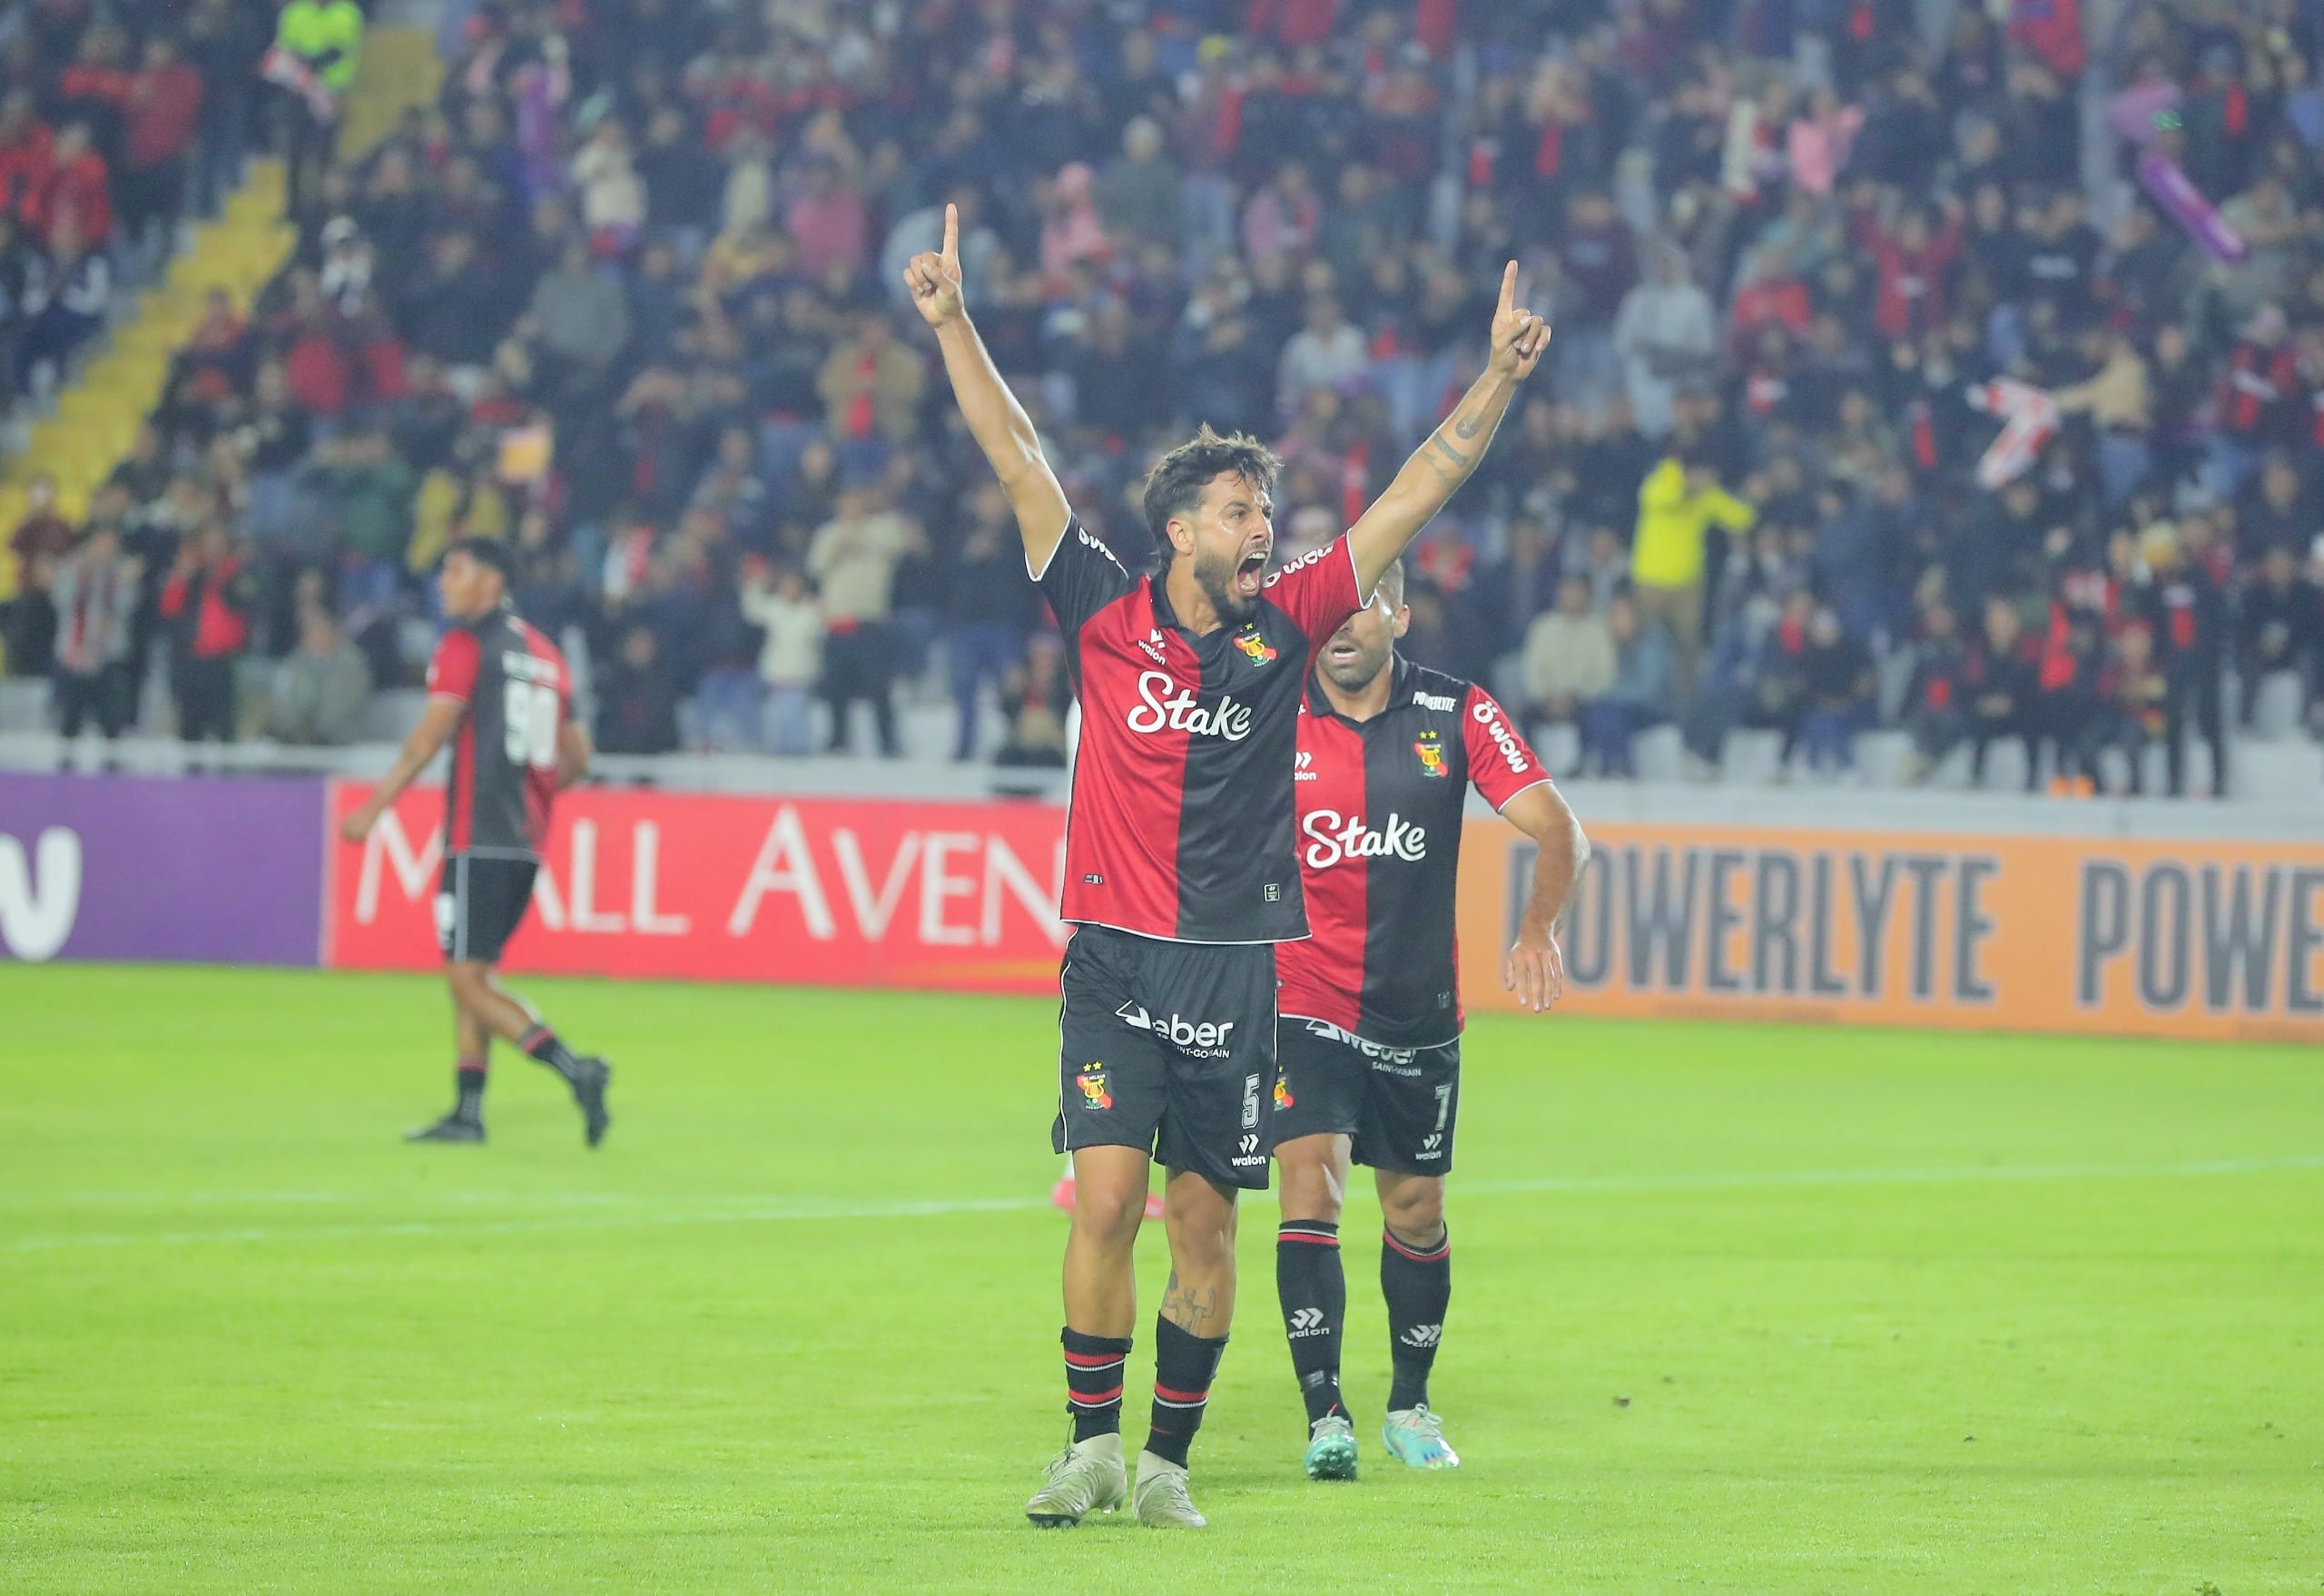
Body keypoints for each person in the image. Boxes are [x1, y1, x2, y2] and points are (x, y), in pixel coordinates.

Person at [905, 204, 1547, 1530]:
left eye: (1270, 512)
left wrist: (1494, 379)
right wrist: (955, 321)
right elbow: (1016, 453)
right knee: (1107, 1196)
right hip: (1114, 960)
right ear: (1182, 528)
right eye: (1242, 511)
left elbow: (1419, 485)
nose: (1266, 529)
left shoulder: (1289, 624)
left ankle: (1164, 1461)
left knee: (1206, 1231)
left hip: (1238, 975)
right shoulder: (1096, 602)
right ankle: (1087, 1445)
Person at [1270, 557, 1585, 1481]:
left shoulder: (1456, 712)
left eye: (1361, 604)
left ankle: (1409, 1403)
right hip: (1301, 996)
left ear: (1398, 617)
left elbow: (1559, 826)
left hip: (1416, 1009)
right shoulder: (1269, 708)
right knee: (1309, 1185)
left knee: (1414, 1209)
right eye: (1324, 605)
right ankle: (1325, 1413)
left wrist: (1536, 930)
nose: (1340, 623)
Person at [339, 539, 611, 1148]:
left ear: (492, 580)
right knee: (475, 973)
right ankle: (468, 1112)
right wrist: (532, 798)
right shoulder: (546, 654)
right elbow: (577, 759)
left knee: (466, 982)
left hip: (477, 836)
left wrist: (373, 809)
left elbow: (428, 739)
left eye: (456, 571)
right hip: (525, 844)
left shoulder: (465, 646)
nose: (443, 584)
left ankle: (575, 1069)